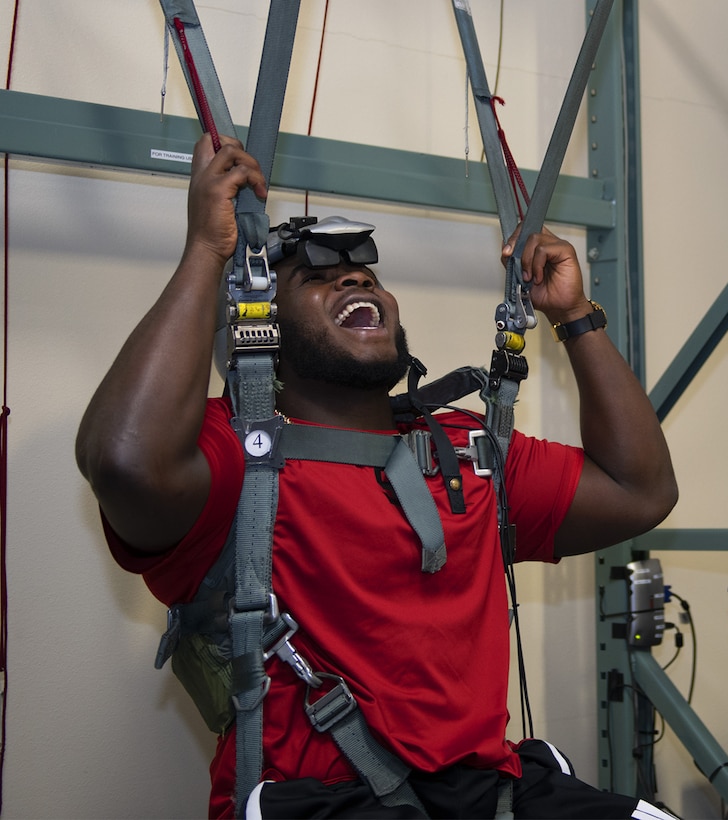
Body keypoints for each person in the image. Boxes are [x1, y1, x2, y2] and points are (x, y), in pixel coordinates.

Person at [76, 134, 679, 819]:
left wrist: (574, 318)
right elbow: (123, 461)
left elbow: (640, 491)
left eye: (365, 274)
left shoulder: (462, 451)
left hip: (484, 792)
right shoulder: (235, 455)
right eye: (315, 277)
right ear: (259, 331)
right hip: (319, 802)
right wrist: (205, 254)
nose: (357, 278)